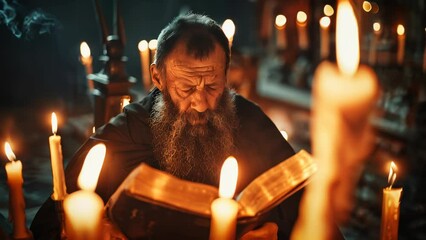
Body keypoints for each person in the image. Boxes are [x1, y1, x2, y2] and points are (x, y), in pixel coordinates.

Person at [30, 13, 302, 239]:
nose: (201, 103)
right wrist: (100, 228)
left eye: (212, 86)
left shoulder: (249, 119)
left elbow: (309, 208)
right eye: (186, 87)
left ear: (226, 74)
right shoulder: (128, 131)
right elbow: (50, 223)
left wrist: (272, 229)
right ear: (158, 77)